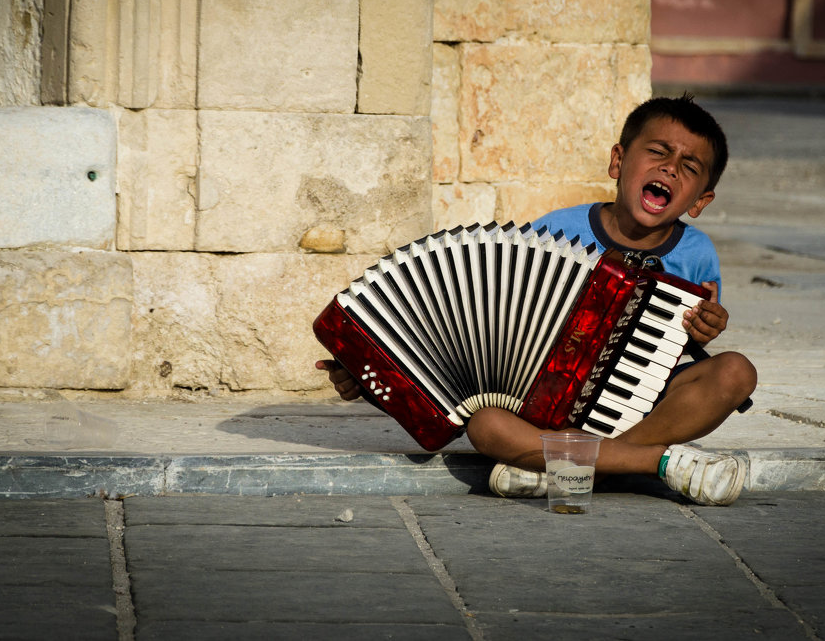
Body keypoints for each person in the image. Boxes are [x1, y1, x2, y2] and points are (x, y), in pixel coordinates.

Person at [317, 94, 757, 506]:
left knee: (736, 372)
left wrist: (707, 327)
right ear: (618, 161)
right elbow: (483, 316)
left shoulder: (697, 253)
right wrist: (365, 378)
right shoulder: (557, 231)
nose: (671, 168)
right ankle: (653, 462)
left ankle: (578, 469)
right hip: (545, 415)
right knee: (485, 425)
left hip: (638, 404)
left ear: (700, 201)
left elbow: (687, 347)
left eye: (690, 165)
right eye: (658, 152)